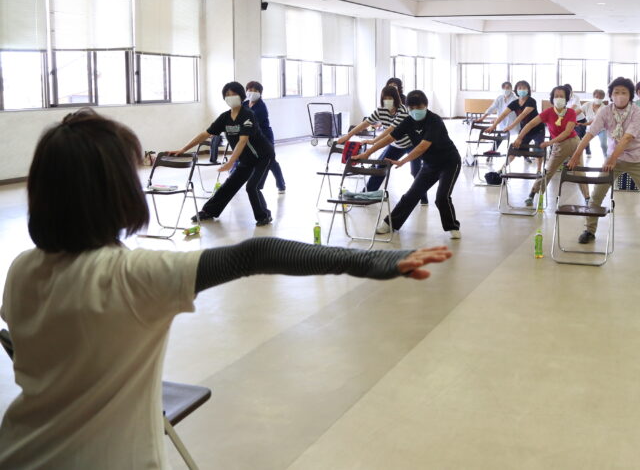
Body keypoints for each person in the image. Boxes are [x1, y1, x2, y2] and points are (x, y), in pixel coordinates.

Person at [0, 109, 451, 468]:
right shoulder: (132, 276)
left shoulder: (21, 270)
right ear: (117, 192)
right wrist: (370, 260)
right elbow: (253, 255)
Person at [566, 77, 640, 248]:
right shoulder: (605, 111)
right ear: (610, 95)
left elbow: (627, 138)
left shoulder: (637, 112)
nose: (620, 96)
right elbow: (591, 132)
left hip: (636, 159)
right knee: (596, 195)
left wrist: (611, 159)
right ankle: (589, 230)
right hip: (613, 158)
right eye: (616, 92)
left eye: (624, 92)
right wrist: (575, 155)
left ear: (630, 95)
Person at [357, 90, 463, 239]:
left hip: (449, 162)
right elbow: (390, 138)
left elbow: (423, 146)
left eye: (418, 107)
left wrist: (403, 161)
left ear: (426, 105)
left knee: (442, 197)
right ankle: (389, 223)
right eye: (411, 108)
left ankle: (452, 227)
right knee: (411, 195)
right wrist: (368, 153)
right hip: (429, 165)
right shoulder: (408, 121)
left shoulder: (434, 120)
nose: (415, 111)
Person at [175, 82, 276, 226]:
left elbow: (243, 140)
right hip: (246, 159)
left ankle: (264, 216)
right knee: (230, 184)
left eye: (234, 94)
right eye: (227, 95)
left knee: (252, 186)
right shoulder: (225, 117)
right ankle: (209, 211)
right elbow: (205, 134)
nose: (230, 97)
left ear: (241, 96)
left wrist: (230, 161)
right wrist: (183, 149)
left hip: (263, 156)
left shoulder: (248, 115)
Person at [336, 85, 425, 201]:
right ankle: (366, 195)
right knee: (380, 167)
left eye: (390, 98)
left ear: (396, 98)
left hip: (410, 144)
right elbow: (366, 123)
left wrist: (374, 141)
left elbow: (390, 131)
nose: (387, 101)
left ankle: (423, 197)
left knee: (416, 171)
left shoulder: (403, 111)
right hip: (395, 145)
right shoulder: (381, 110)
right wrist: (348, 135)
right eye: (384, 98)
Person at [513, 85, 589, 207]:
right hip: (559, 145)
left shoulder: (570, 112)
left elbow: (567, 132)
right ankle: (532, 194)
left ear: (566, 98)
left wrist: (550, 142)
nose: (559, 98)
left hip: (574, 143)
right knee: (548, 171)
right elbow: (530, 124)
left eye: (561, 96)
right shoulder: (548, 112)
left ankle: (587, 198)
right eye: (556, 96)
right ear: (552, 98)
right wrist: (519, 137)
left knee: (579, 172)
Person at [244, 80, 286, 194]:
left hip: (265, 136)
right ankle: (256, 185)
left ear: (260, 93)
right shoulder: (245, 104)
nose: (252, 92)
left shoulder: (261, 107)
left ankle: (281, 185)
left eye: (255, 90)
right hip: (252, 138)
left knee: (271, 161)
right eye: (250, 90)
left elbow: (250, 122)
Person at [485, 80, 544, 150]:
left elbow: (523, 115)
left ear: (528, 90)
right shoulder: (515, 103)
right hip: (524, 130)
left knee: (538, 150)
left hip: (537, 129)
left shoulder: (531, 101)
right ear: (516, 90)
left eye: (524, 88)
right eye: (520, 88)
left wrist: (511, 126)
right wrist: (493, 126)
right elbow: (504, 114)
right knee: (517, 150)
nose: (522, 90)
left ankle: (535, 155)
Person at [482, 81, 517, 148]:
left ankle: (514, 152)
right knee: (499, 136)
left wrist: (496, 121)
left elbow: (506, 113)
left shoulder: (514, 99)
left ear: (511, 88)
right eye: (504, 88)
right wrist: (482, 117)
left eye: (507, 88)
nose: (505, 89)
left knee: (514, 140)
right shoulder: (499, 98)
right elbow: (492, 107)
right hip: (501, 122)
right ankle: (493, 150)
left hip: (512, 123)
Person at [577, 89, 609, 157]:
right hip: (591, 129)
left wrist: (583, 124)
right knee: (583, 143)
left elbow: (595, 121)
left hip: (601, 129)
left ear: (603, 98)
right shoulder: (588, 104)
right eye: (597, 96)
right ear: (594, 96)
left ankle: (606, 157)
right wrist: (569, 117)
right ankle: (584, 154)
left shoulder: (604, 108)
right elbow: (578, 111)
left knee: (603, 145)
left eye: (600, 97)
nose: (598, 98)